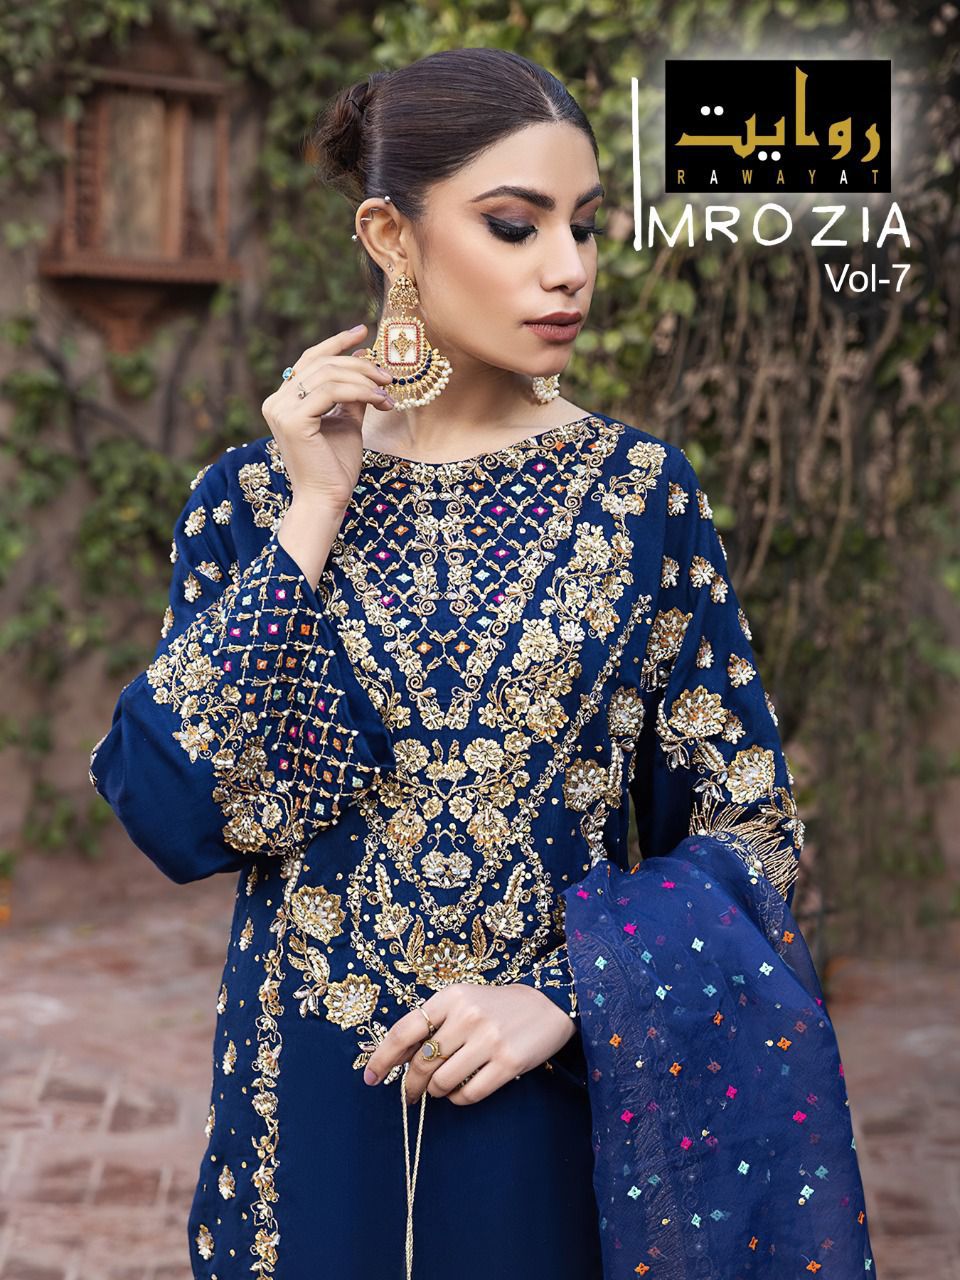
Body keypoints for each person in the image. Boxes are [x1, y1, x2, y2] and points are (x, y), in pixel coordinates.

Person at [88, 47, 876, 1280]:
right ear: (390, 236)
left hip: (552, 1112)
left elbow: (753, 829)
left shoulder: (642, 498)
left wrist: (565, 991)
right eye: (517, 225)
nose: (570, 268)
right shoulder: (254, 503)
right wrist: (316, 509)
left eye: (583, 225)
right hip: (314, 1120)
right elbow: (177, 808)